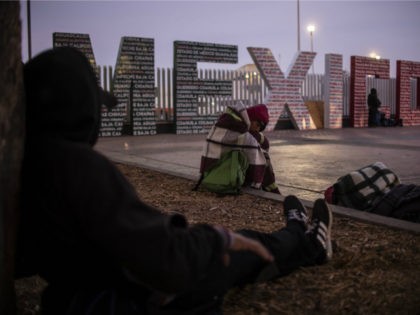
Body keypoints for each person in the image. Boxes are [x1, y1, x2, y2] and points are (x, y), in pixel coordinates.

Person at [15, 47, 333, 315]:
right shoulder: (75, 168)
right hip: (129, 297)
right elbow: (168, 261)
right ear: (79, 109)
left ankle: (295, 233)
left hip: (75, 297)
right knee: (245, 245)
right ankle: (308, 241)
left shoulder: (24, 167)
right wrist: (215, 239)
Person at [199, 102, 281, 194]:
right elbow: (262, 144)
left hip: (207, 174)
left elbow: (258, 139)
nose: (257, 129)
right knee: (261, 155)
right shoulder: (238, 128)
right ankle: (272, 189)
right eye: (258, 124)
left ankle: (271, 188)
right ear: (251, 117)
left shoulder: (228, 120)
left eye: (260, 128)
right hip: (222, 176)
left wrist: (259, 137)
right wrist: (261, 139)